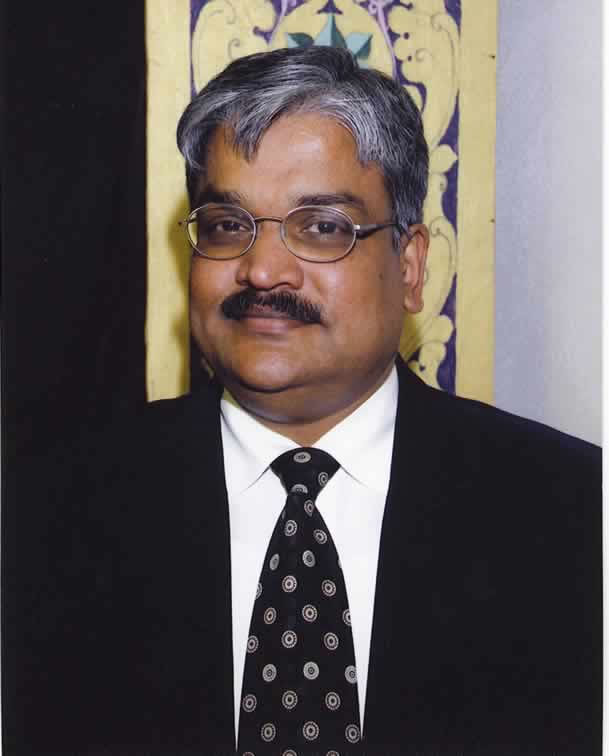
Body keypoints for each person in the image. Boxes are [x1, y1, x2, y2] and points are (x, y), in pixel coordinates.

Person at [9, 47, 601, 756]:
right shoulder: (44, 516)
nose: (261, 271)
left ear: (410, 267)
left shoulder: (574, 515)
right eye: (227, 224)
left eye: (321, 226)